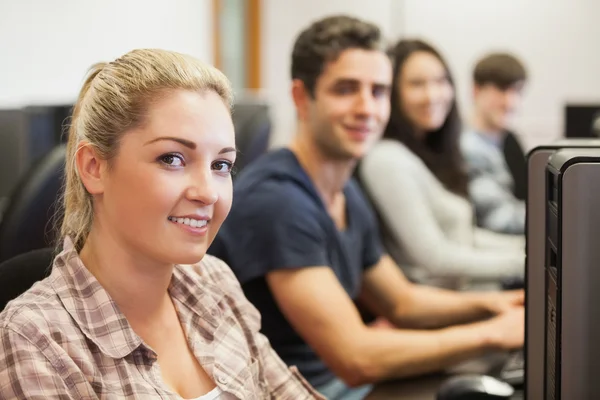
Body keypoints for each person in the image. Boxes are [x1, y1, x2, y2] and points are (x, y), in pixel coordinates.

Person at [208, 16, 525, 400]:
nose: (367, 108)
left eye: (379, 91)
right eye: (346, 89)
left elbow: (402, 302)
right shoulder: (278, 200)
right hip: (306, 391)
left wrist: (498, 303)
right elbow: (356, 358)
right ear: (301, 96)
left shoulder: (344, 191)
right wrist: (494, 332)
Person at [0, 49, 323, 399]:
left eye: (221, 165)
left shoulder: (214, 282)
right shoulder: (36, 340)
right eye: (172, 159)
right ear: (94, 167)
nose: (208, 193)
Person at [359, 39, 524, 288]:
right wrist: (529, 261)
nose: (433, 94)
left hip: (467, 295)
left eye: (440, 81)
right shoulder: (387, 159)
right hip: (443, 305)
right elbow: (434, 258)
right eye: (417, 84)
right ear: (393, 92)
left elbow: (463, 238)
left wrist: (529, 249)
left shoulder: (427, 153)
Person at [461, 52, 528, 234]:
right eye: (502, 90)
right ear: (476, 90)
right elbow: (498, 219)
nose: (511, 102)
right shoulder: (469, 148)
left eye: (518, 91)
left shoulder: (509, 140)